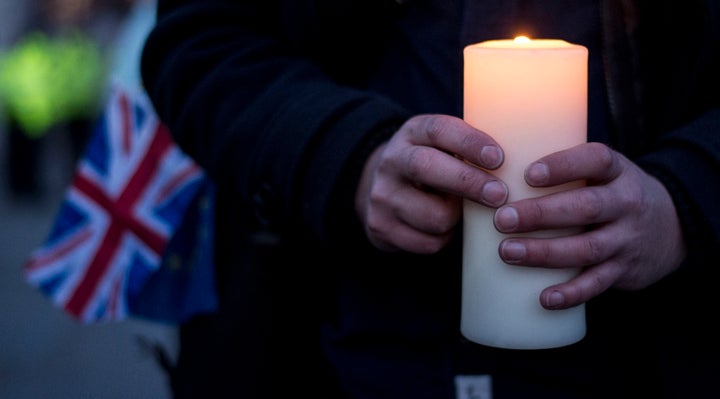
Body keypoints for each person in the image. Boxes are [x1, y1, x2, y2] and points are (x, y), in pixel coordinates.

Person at [140, 1, 720, 398]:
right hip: (332, 343)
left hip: (655, 356)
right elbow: (201, 40)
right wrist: (348, 157)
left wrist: (687, 198)